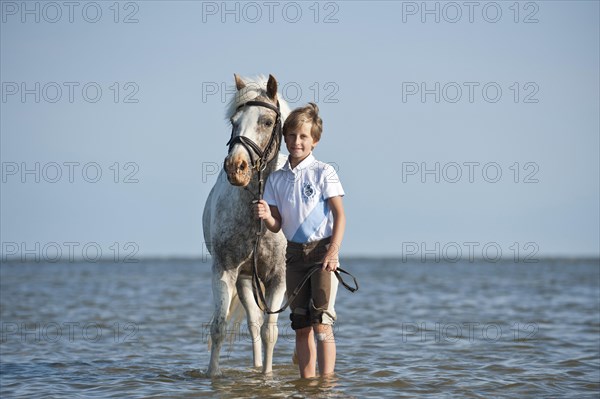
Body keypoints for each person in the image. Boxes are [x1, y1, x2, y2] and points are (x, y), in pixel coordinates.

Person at [254, 102, 346, 378]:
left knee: (321, 323)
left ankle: (327, 383)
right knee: (301, 323)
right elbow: (277, 224)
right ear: (284, 138)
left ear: (314, 141)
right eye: (292, 136)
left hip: (322, 254)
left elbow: (340, 216)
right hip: (293, 256)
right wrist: (266, 216)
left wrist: (333, 251)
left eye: (304, 136)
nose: (297, 142)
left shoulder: (323, 172)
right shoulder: (276, 179)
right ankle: (307, 385)